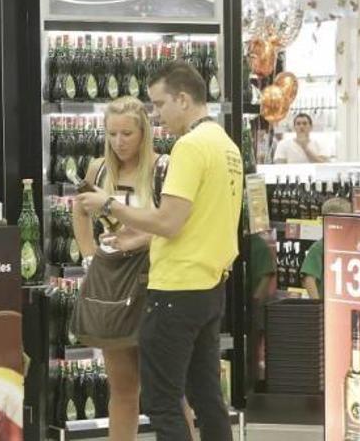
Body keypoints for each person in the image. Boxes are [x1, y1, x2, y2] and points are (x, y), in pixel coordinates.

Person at [77, 62, 242, 441]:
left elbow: (169, 221)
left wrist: (109, 206)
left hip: (175, 289)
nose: (157, 114)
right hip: (210, 286)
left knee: (163, 401)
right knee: (206, 396)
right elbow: (195, 219)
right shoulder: (226, 145)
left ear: (183, 99)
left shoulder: (189, 147)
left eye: (160, 104)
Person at [71, 96, 196, 440]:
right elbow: (79, 210)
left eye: (126, 133)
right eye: (112, 134)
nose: (119, 142)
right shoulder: (98, 169)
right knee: (122, 388)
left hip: (157, 282)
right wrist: (89, 255)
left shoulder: (163, 169)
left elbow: (178, 225)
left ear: (144, 132)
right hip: (113, 284)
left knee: (168, 391)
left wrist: (141, 240)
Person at [300, 197, 353, 299]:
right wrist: (317, 305)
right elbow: (309, 279)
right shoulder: (319, 247)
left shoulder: (349, 246)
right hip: (328, 305)